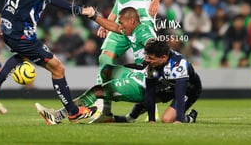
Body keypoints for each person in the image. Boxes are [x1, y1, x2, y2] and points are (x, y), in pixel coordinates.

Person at [36, 39, 201, 124]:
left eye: (151, 58)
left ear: (163, 58)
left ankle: (189, 118)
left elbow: (180, 94)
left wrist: (179, 120)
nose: (147, 61)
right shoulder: (154, 63)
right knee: (107, 75)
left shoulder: (179, 66)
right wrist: (151, 119)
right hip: (164, 87)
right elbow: (150, 89)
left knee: (168, 120)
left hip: (188, 90)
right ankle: (107, 114)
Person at [96, 0, 166, 120]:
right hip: (121, 23)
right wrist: (108, 21)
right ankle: (106, 112)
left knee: (149, 65)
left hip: (141, 21)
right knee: (104, 59)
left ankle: (152, 104)